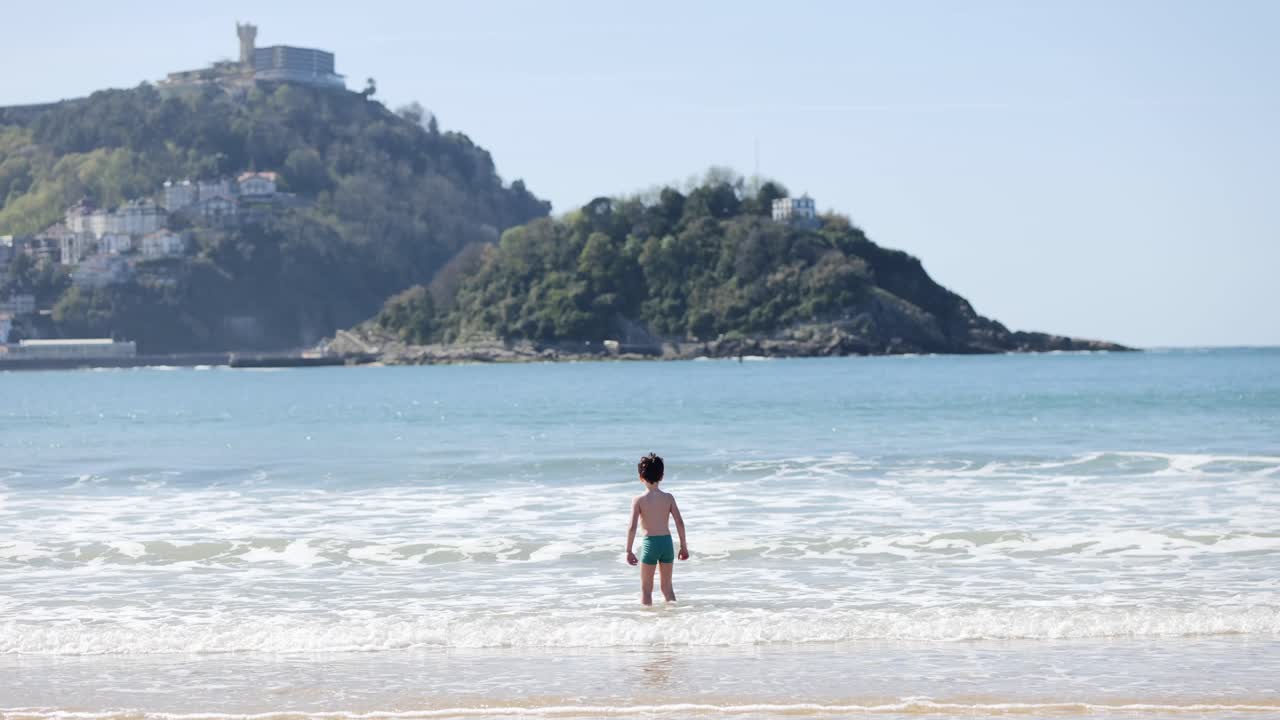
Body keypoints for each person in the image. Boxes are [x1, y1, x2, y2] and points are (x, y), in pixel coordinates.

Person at [625, 452, 689, 605]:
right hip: (667, 544)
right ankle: (673, 615)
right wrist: (683, 546)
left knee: (646, 589)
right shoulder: (668, 498)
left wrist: (628, 550)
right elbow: (680, 522)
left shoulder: (638, 500)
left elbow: (632, 527)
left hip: (650, 544)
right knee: (667, 588)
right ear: (662, 476)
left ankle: (647, 622)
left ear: (641, 477)